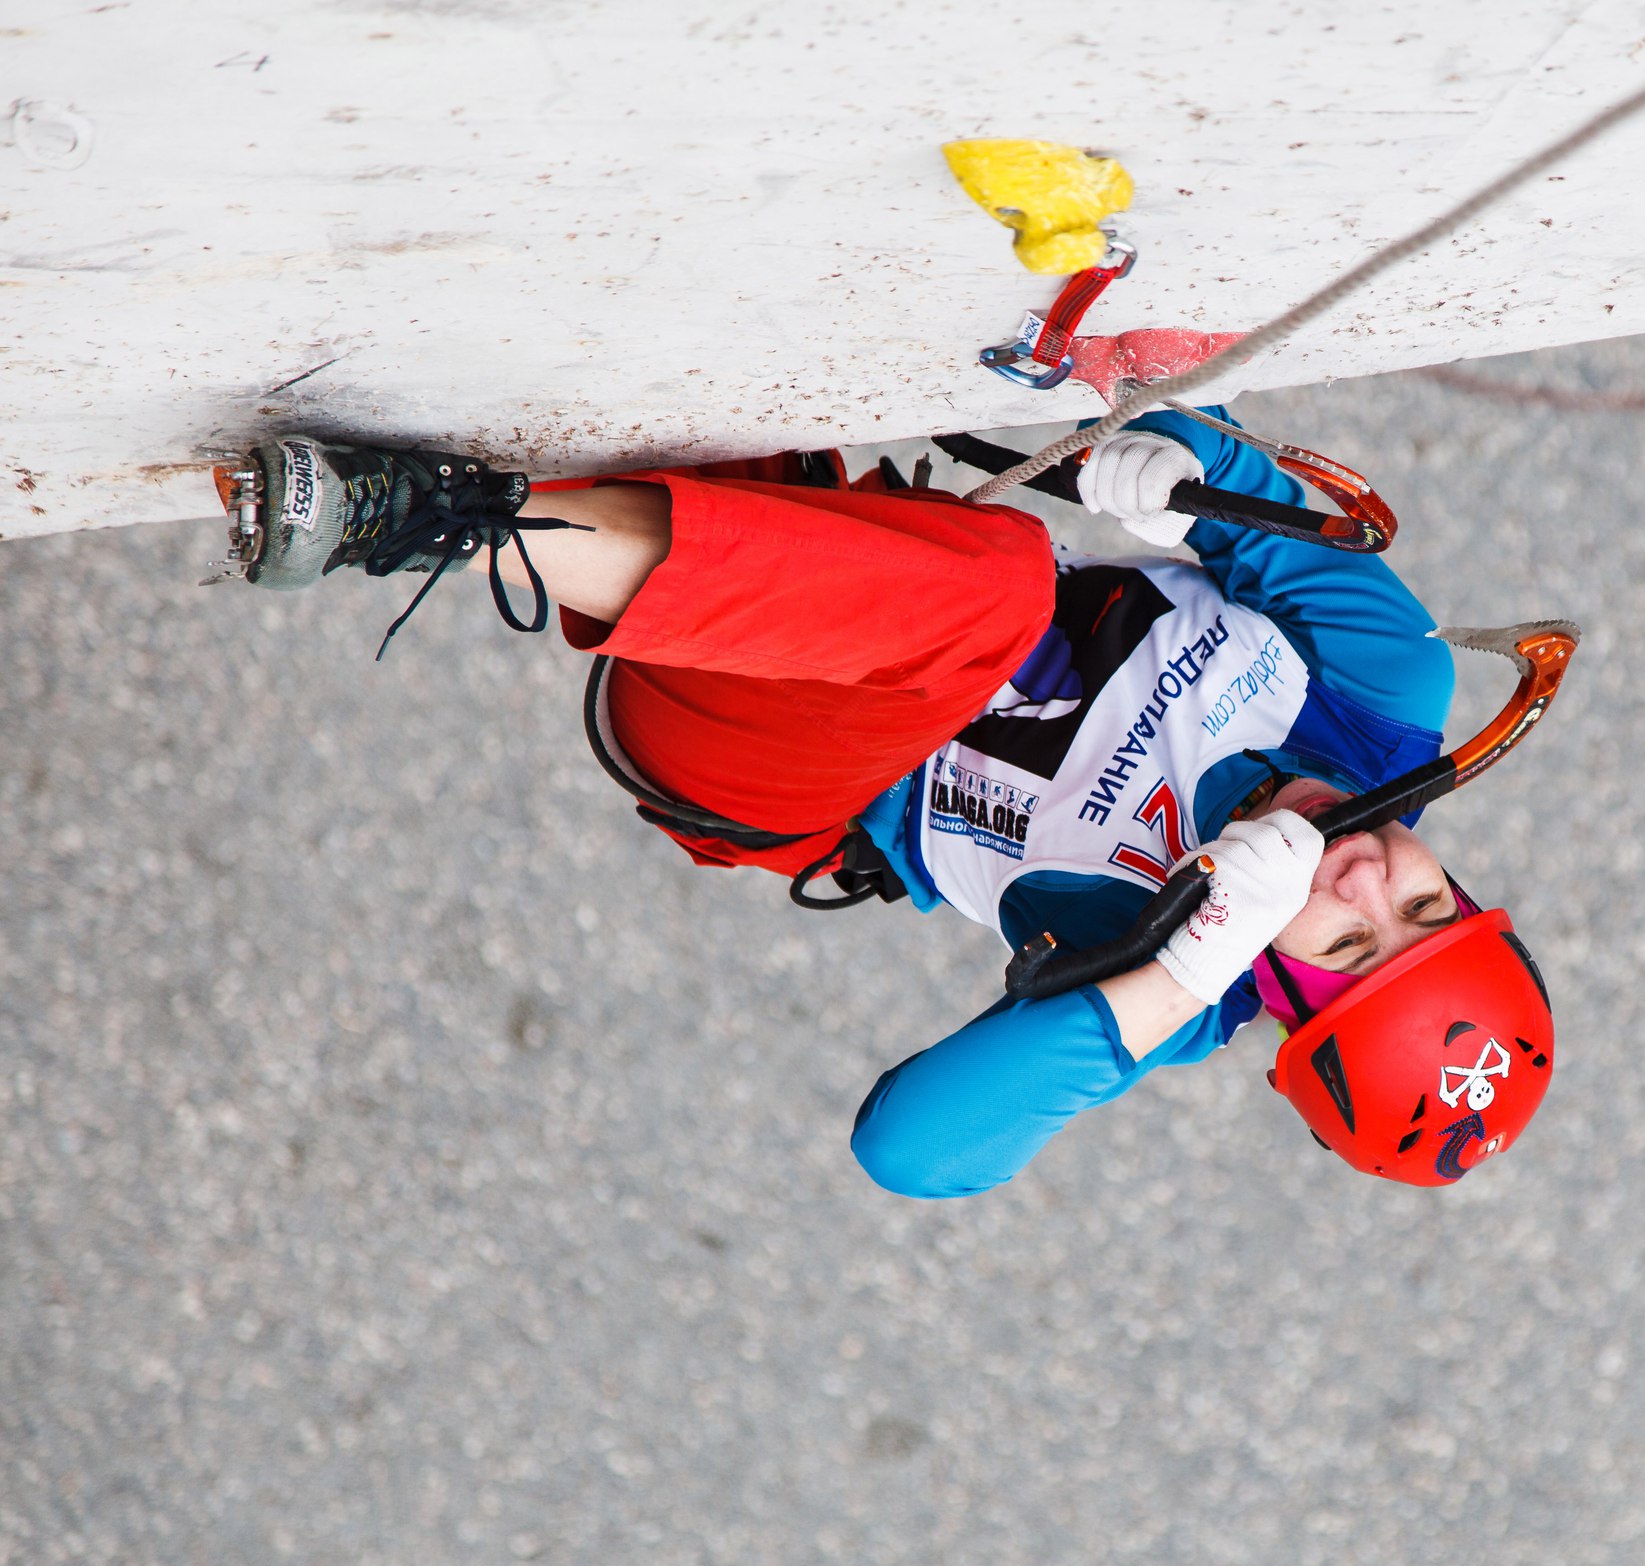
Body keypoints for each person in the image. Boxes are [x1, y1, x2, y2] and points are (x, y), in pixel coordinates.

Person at [215, 408, 1556, 1197]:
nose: (1371, 879)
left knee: (996, 599)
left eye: (1350, 944)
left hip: (757, 744)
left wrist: (1195, 953)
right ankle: (543, 509)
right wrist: (1167, 476)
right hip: (836, 543)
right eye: (1429, 900)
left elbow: (915, 1151)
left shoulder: (1165, 991)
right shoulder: (1384, 696)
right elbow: (1232, 482)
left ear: (1284, 996)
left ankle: (433, 522)